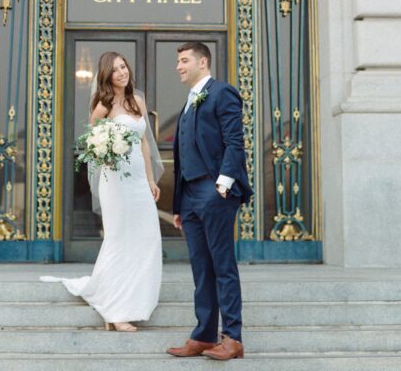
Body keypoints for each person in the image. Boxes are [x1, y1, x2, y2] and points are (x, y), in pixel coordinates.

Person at [40, 51, 163, 331]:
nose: (122, 72)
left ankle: (134, 297)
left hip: (137, 182)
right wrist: (105, 153)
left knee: (146, 237)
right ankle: (115, 310)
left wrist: (151, 179)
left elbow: (144, 143)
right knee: (119, 239)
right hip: (115, 181)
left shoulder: (138, 100)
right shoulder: (103, 104)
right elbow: (92, 141)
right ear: (106, 76)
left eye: (124, 66)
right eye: (115, 70)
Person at [166, 41, 252, 361]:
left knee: (222, 266)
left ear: (203, 63)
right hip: (189, 196)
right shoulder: (189, 102)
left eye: (184, 60)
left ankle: (233, 337)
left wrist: (224, 183)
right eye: (178, 61)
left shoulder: (221, 92)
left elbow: (234, 141)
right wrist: (178, 206)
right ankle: (204, 335)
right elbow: (182, 155)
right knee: (201, 269)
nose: (178, 66)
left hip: (214, 191)